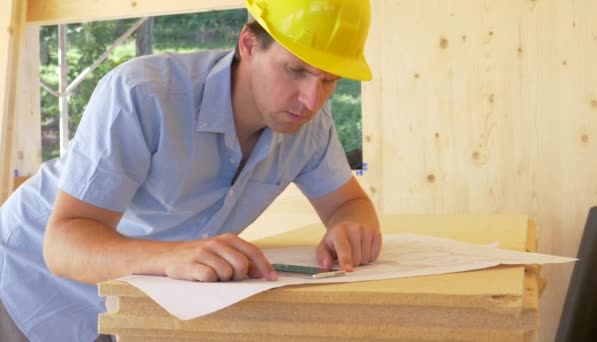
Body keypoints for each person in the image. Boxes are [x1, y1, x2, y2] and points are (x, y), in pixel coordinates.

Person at [0, 0, 381, 341]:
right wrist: (170, 257)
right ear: (248, 44)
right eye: (295, 70)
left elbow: (347, 203)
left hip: (128, 310)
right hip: (21, 283)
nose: (312, 99)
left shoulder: (310, 125)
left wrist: (349, 227)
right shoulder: (143, 93)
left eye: (330, 79)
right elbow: (63, 245)